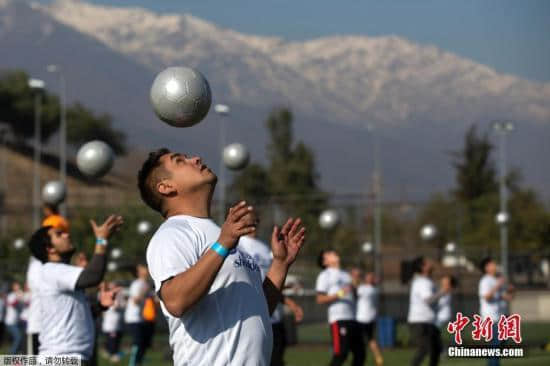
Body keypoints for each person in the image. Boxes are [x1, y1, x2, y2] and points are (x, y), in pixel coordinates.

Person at [138, 149, 306, 365]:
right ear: (166, 187)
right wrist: (224, 243)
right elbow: (175, 301)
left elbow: (257, 308)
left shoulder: (222, 235)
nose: (196, 158)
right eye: (180, 161)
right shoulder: (173, 233)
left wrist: (280, 265)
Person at [27, 215, 123, 364]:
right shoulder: (51, 270)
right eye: (59, 234)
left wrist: (100, 306)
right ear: (50, 248)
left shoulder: (59, 272)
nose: (67, 234)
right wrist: (101, 240)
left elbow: (76, 315)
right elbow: (93, 276)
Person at [239, 231, 304, 366]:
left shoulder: (264, 247)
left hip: (273, 315)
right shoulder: (237, 244)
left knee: (277, 357)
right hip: (253, 319)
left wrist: (289, 301)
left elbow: (271, 281)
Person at [316, 249, 365, 366]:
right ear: (324, 262)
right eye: (329, 254)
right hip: (338, 319)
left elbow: (354, 295)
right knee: (341, 354)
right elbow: (320, 299)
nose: (334, 253)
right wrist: (340, 294)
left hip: (352, 318)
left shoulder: (345, 274)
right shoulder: (325, 275)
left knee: (360, 354)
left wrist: (356, 286)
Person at [407, 256, 450, 366]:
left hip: (428, 321)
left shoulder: (427, 281)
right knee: (425, 348)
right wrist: (443, 291)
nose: (430, 263)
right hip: (420, 322)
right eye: (427, 263)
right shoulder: (423, 282)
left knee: (435, 350)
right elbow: (428, 299)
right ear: (422, 267)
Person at [479, 257, 515, 366]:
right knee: (495, 346)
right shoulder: (485, 280)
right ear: (487, 267)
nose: (495, 266)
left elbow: (507, 297)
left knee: (498, 346)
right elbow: (487, 297)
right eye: (492, 264)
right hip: (491, 318)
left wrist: (511, 290)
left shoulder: (495, 280)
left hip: (500, 317)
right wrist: (498, 285)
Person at [125, 263, 153, 366]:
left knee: (144, 344)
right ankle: (133, 363)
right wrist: (145, 293)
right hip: (133, 318)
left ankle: (138, 362)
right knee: (138, 342)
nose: (147, 270)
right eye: (143, 268)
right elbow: (135, 301)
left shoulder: (147, 284)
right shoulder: (138, 284)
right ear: (139, 272)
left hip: (142, 318)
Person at [356, 271, 384, 366]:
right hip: (371, 318)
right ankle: (378, 357)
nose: (371, 278)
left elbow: (355, 288)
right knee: (371, 339)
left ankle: (359, 356)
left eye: (371, 277)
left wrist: (356, 278)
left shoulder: (366, 289)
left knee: (359, 339)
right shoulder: (375, 289)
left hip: (361, 318)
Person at [101, 282, 125, 362]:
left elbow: (122, 305)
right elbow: (114, 307)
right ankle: (112, 354)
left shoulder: (119, 297)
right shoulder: (108, 297)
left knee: (116, 339)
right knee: (112, 340)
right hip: (111, 323)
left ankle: (112, 353)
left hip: (117, 322)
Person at [5, 281, 24, 354]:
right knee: (18, 338)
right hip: (10, 322)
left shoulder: (19, 294)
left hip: (17, 322)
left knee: (20, 339)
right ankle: (11, 354)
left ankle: (16, 355)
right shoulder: (11, 295)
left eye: (18, 286)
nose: (18, 287)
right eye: (16, 286)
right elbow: (12, 304)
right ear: (13, 287)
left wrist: (21, 297)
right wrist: (18, 298)